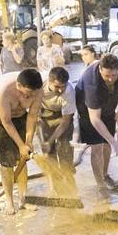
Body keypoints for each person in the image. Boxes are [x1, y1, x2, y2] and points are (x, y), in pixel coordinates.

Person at [0, 68, 45, 214]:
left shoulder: (38, 90)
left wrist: (28, 142)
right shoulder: (4, 92)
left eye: (33, 94)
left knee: (23, 157)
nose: (30, 97)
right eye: (27, 93)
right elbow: (7, 122)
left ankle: (23, 199)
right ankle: (9, 201)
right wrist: (20, 145)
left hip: (21, 116)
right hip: (0, 118)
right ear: (18, 86)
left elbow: (32, 116)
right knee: (7, 160)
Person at [76, 53, 118, 197]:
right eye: (107, 76)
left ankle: (105, 175)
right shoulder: (91, 82)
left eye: (114, 75)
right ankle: (100, 184)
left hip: (109, 103)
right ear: (100, 69)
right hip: (87, 108)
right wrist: (114, 142)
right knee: (97, 146)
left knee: (106, 144)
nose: (111, 79)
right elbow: (95, 119)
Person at [37, 65, 77, 196]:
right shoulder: (39, 83)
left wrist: (52, 140)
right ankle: (55, 189)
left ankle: (71, 185)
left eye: (63, 86)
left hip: (62, 115)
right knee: (49, 154)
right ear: (49, 81)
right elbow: (33, 113)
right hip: (44, 113)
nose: (60, 90)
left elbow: (65, 122)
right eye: (57, 87)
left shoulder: (69, 92)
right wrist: (45, 141)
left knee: (64, 147)